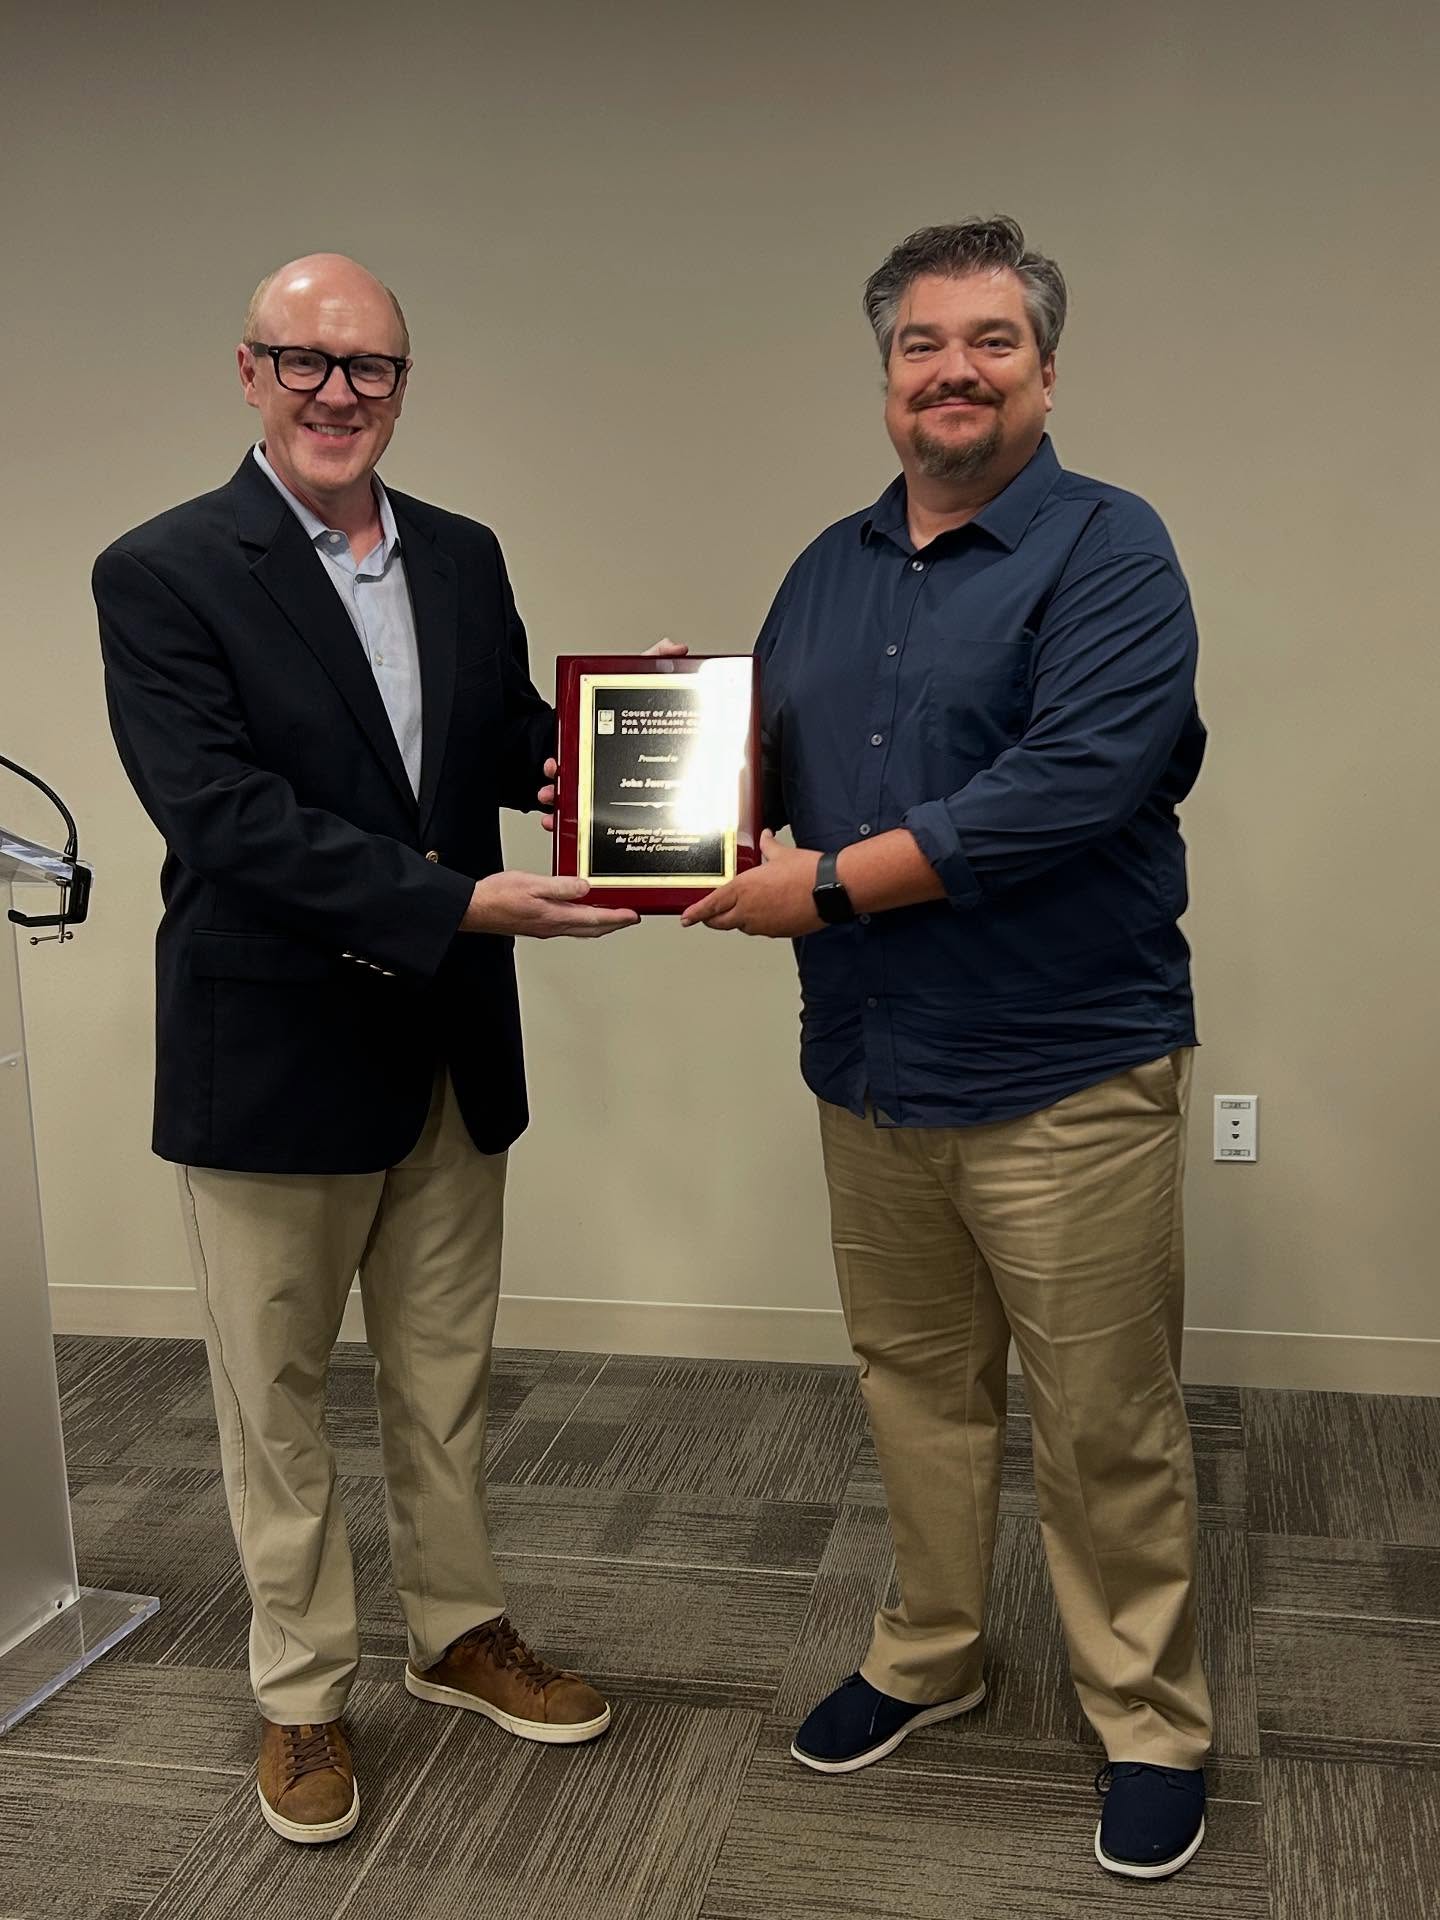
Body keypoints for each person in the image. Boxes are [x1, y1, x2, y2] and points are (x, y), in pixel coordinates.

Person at [93, 253, 672, 1845]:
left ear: (404, 386)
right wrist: (456, 897)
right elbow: (225, 819)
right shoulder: (161, 571)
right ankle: (299, 1695)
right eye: (305, 361)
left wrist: (653, 758)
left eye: (370, 368)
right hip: (272, 1054)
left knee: (445, 1378)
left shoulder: (466, 558)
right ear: (249, 371)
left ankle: (456, 1632)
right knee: (272, 1399)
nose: (338, 393)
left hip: (445, 1050)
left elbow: (503, 748)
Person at [683, 217, 1211, 1881]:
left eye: (991, 342)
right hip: (871, 1064)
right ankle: (931, 1649)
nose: (954, 373)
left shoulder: (1113, 553)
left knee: (1101, 1411)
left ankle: (1147, 1715)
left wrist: (823, 886)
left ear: (1045, 372)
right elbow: (748, 751)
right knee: (914, 1388)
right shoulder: (827, 565)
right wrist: (671, 820)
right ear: (889, 377)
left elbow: (1067, 790)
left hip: (1064, 1068)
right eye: (923, 345)